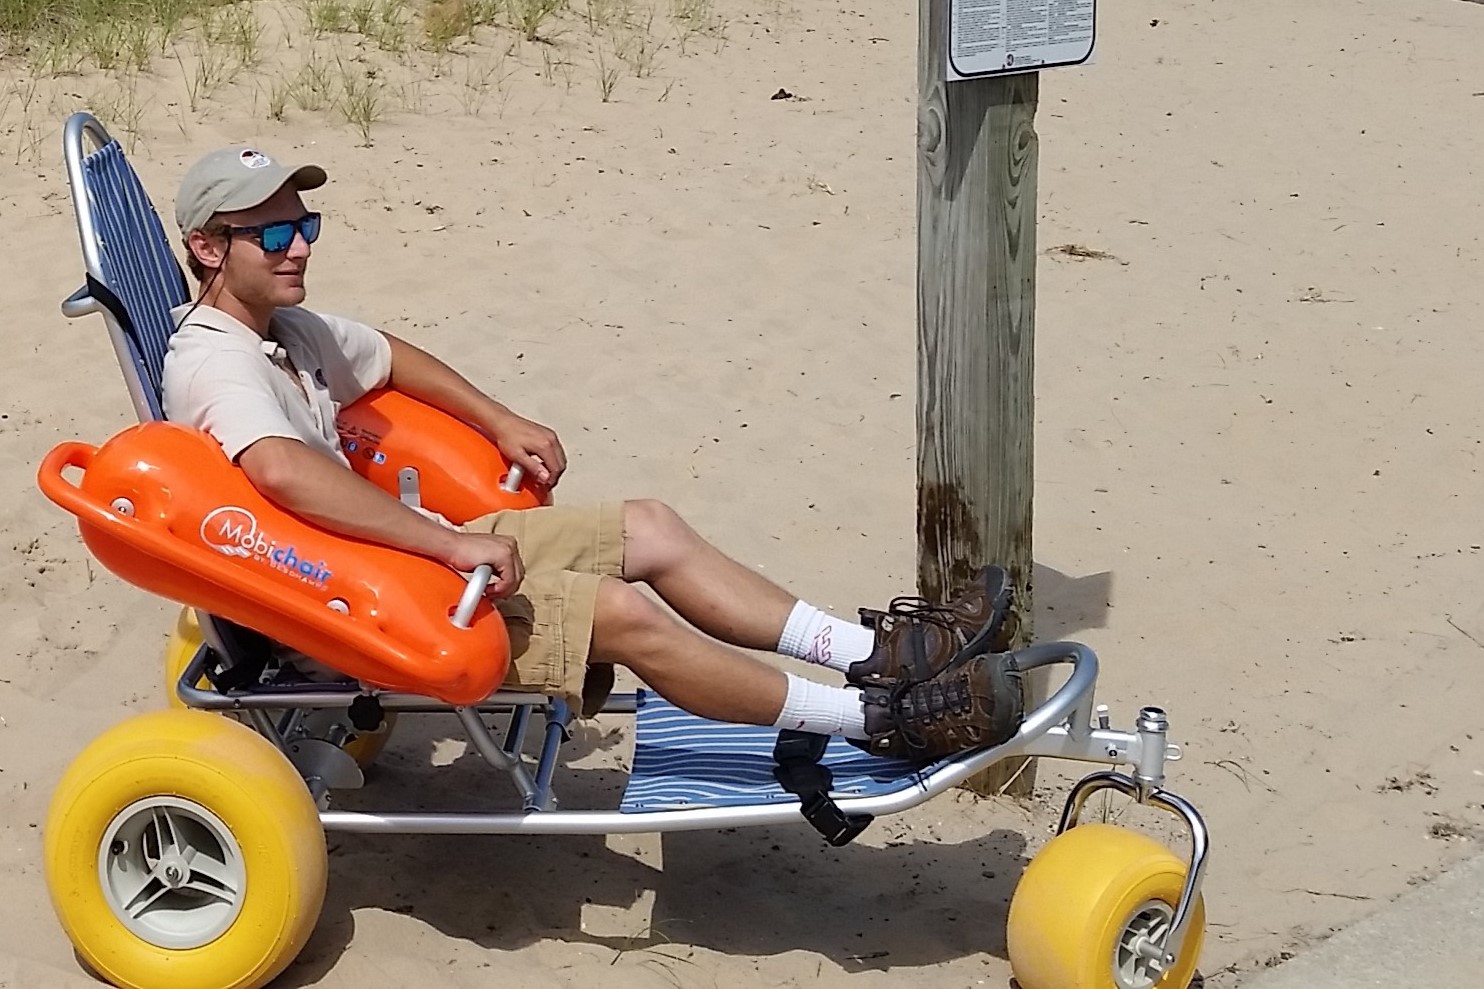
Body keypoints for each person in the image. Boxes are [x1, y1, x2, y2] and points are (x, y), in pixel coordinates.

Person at [160, 145, 1024, 761]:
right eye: (272, 236)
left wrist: (500, 419)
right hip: (360, 607)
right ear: (208, 247)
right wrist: (451, 541)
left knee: (649, 527)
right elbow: (278, 469)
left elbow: (382, 353)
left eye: (304, 224)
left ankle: (873, 654)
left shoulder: (285, 327)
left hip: (395, 561)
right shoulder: (214, 358)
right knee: (624, 612)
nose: (300, 246)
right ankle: (876, 718)